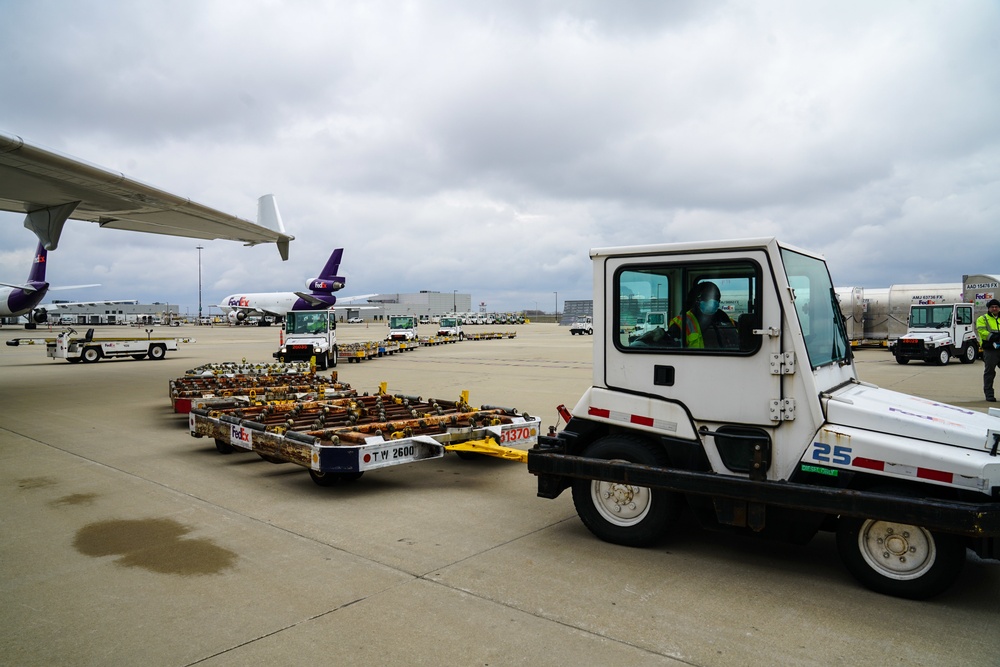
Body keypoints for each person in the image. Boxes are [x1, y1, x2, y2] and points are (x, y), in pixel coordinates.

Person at [667, 281, 737, 349]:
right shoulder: (682, 323)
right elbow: (670, 349)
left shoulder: (724, 318)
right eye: (707, 297)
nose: (713, 301)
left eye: (716, 298)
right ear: (697, 299)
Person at [976, 298, 1000, 402]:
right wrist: (995, 337)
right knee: (990, 372)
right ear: (989, 308)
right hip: (990, 350)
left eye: (996, 307)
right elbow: (982, 332)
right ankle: (989, 394)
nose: (994, 308)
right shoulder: (982, 319)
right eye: (992, 307)